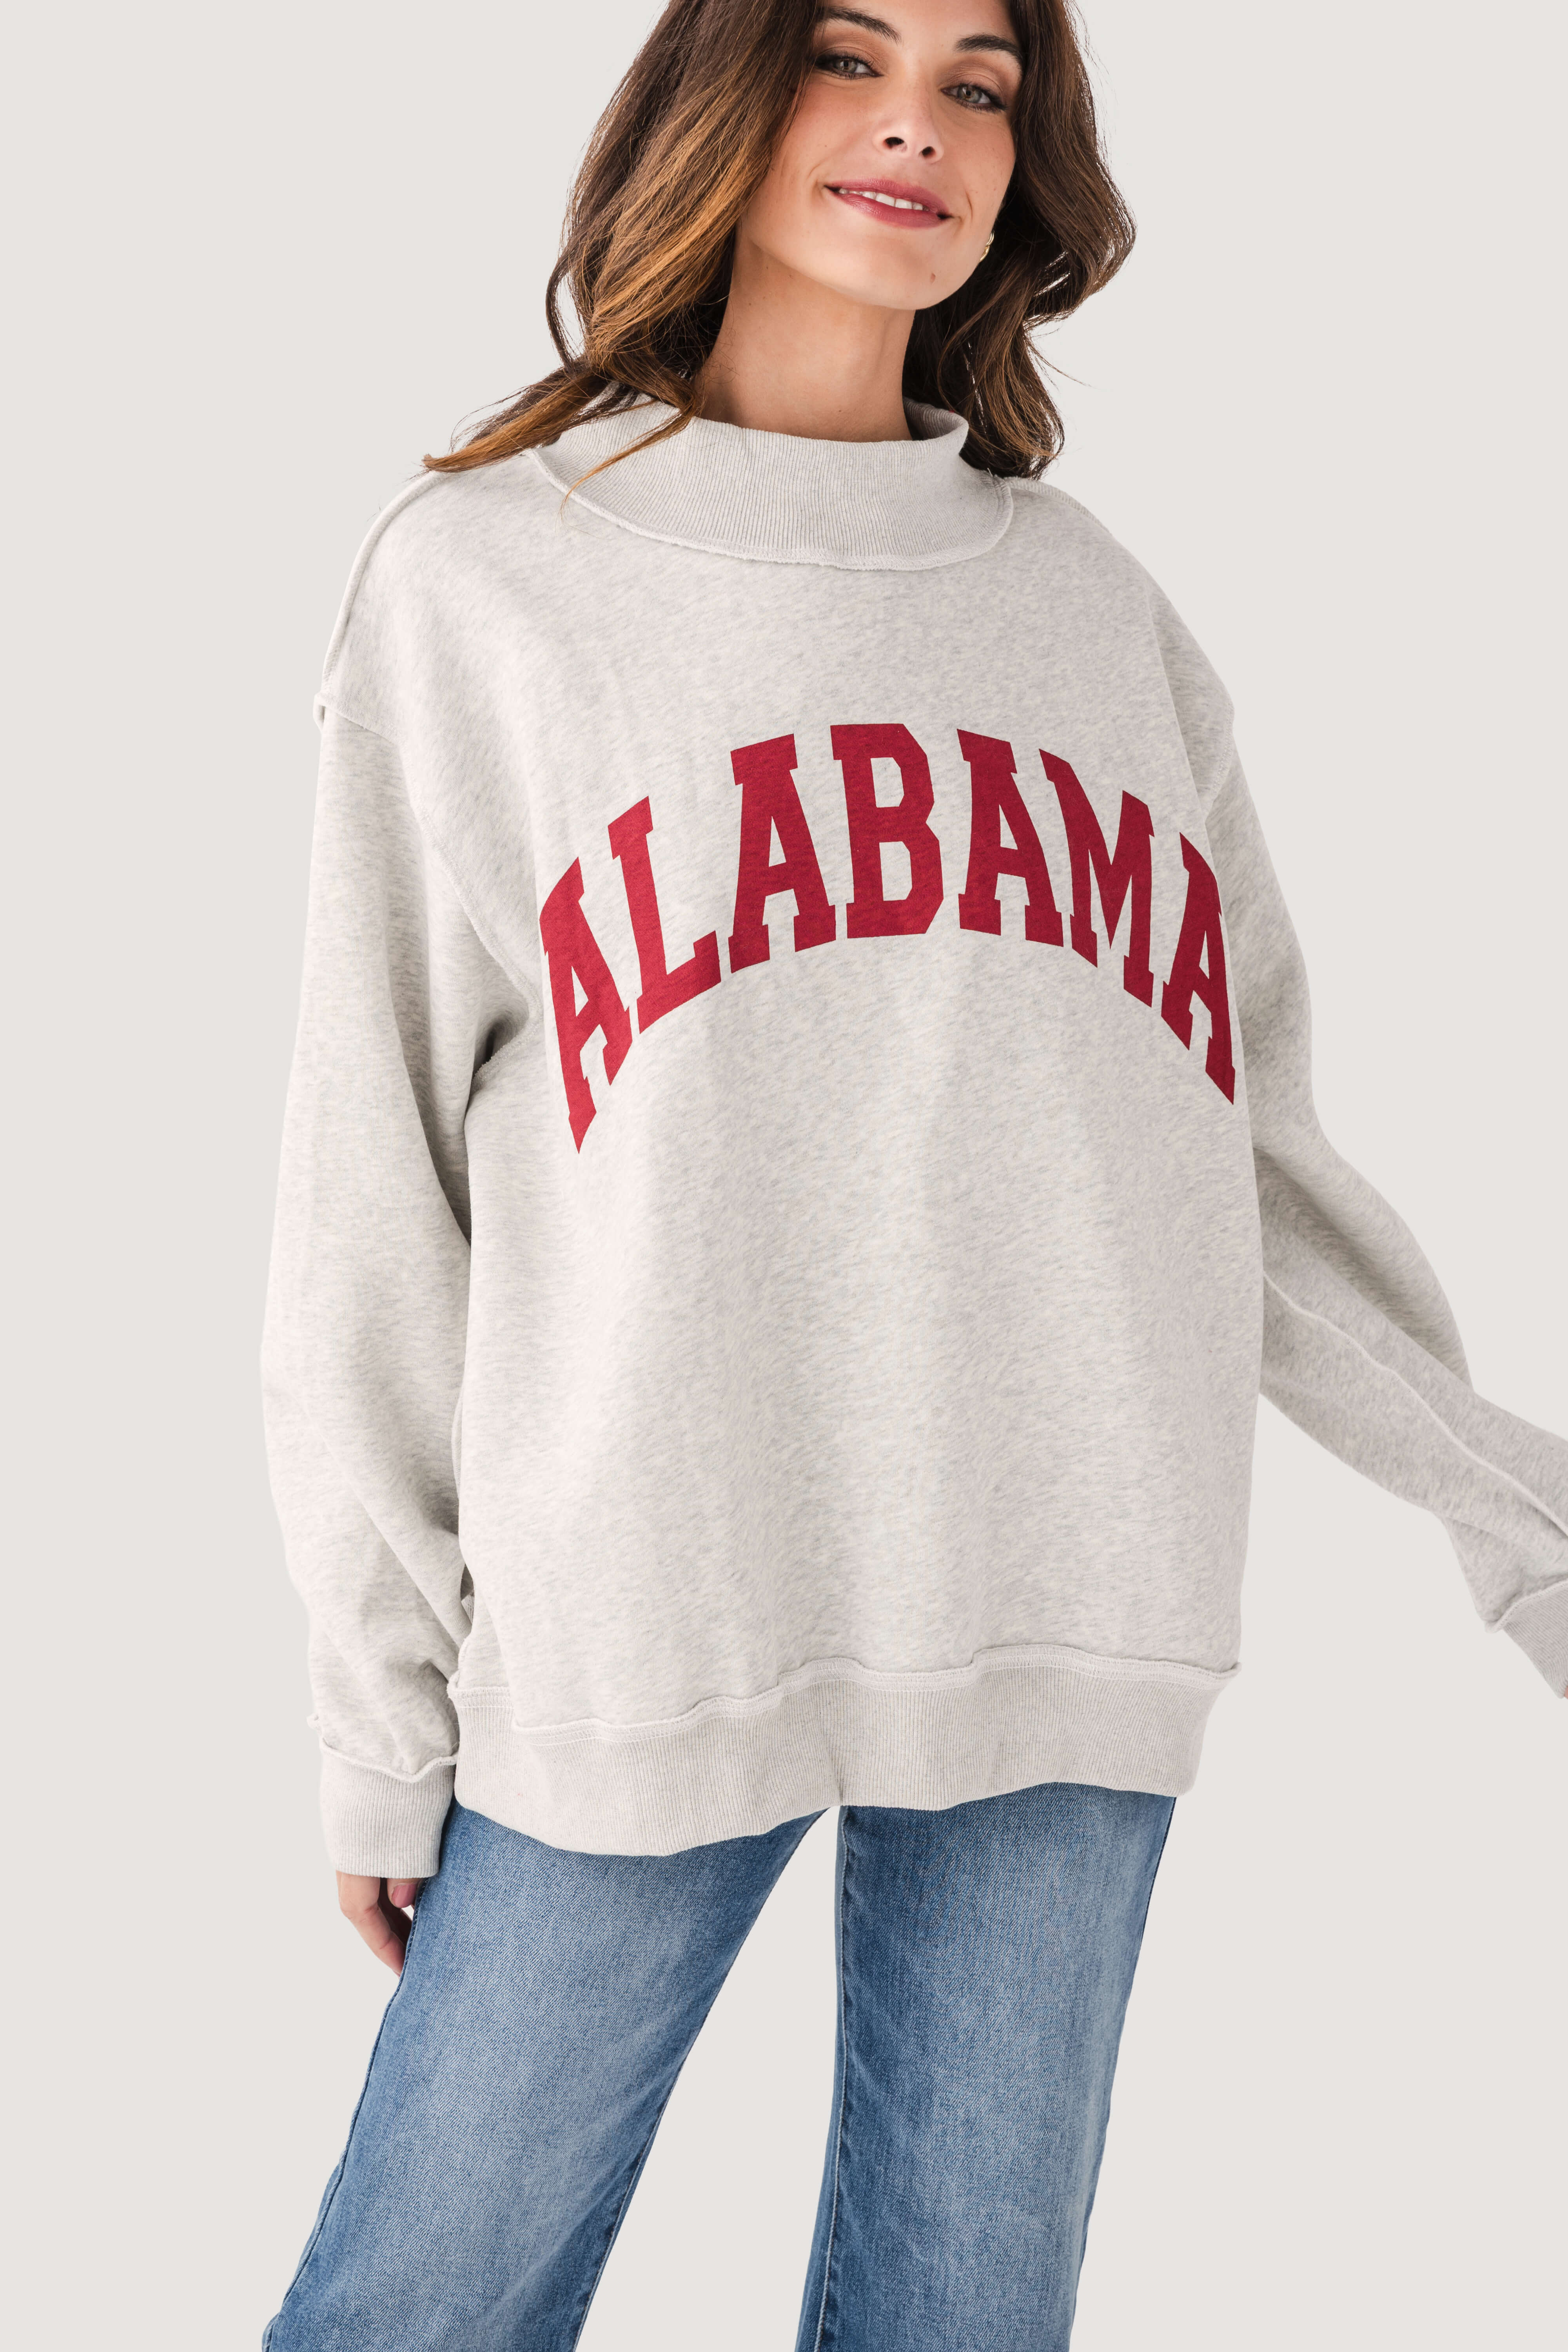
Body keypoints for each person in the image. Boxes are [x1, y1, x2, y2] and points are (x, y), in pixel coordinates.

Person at [260, 1, 1568, 2344]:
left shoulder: (1093, 612)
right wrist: (385, 1714)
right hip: (646, 1610)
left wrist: (1523, 1525)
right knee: (416, 2309)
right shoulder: (487, 584)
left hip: (1075, 1597)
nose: (918, 126)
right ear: (718, 102)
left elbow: (1250, 1164)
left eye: (980, 84)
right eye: (848, 57)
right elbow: (374, 1184)